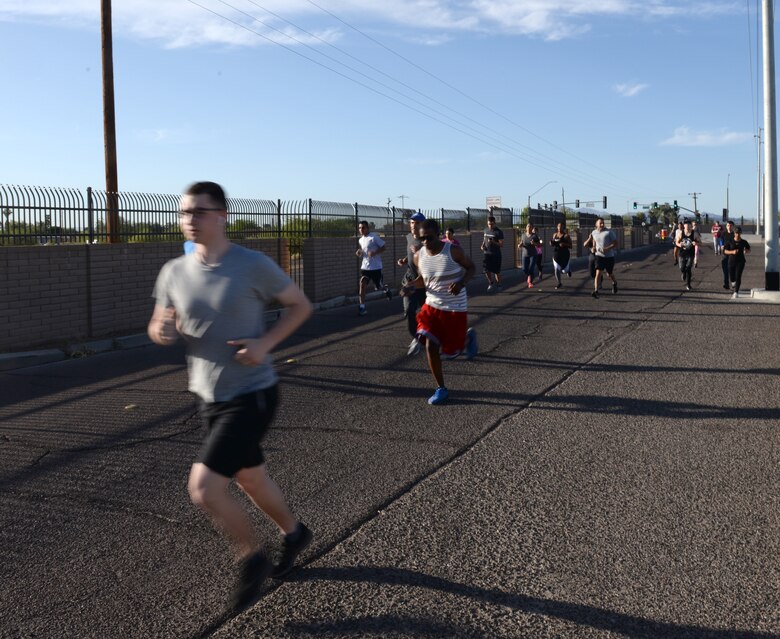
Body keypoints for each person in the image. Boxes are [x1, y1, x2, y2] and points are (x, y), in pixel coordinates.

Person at [148, 182, 314, 612]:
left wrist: (263, 345)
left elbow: (300, 305)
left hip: (251, 392)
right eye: (185, 212)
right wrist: (162, 330)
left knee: (204, 488)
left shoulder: (251, 264)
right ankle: (295, 533)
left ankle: (251, 557)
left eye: (199, 212)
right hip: (208, 394)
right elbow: (159, 322)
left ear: (222, 215)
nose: (189, 220)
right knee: (250, 478)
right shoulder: (174, 271)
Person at [401, 218, 477, 405]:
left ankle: (467, 338)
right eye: (422, 238)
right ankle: (441, 388)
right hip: (432, 306)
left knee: (452, 351)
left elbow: (472, 268)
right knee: (430, 344)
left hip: (455, 307)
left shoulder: (453, 251)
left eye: (429, 237)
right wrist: (411, 286)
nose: (426, 242)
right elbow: (424, 280)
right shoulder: (419, 256)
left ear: (438, 234)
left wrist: (461, 283)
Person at [396, 212, 427, 356]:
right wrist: (404, 260)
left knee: (430, 315)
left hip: (424, 282)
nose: (413, 226)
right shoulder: (409, 237)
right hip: (410, 280)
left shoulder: (427, 241)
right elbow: (410, 253)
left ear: (422, 225)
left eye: (417, 223)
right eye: (412, 223)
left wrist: (421, 251)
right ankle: (417, 338)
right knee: (409, 311)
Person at [356, 220, 392, 316]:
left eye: (363, 227)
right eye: (359, 228)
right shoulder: (360, 240)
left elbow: (384, 247)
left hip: (376, 267)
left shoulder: (374, 237)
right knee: (362, 284)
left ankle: (386, 289)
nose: (361, 230)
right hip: (365, 267)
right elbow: (364, 251)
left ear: (367, 228)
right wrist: (360, 252)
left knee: (378, 287)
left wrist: (375, 252)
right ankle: (362, 307)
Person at [589, 217, 619, 298]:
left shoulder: (609, 232)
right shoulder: (594, 232)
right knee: (598, 272)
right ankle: (596, 290)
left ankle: (614, 283)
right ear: (596, 224)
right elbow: (594, 242)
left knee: (609, 274)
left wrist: (607, 249)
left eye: (603, 223)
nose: (602, 224)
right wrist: (593, 248)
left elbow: (616, 243)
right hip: (599, 256)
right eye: (600, 223)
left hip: (609, 257)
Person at [723, 226, 751, 295]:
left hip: (740, 261)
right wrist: (732, 252)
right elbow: (724, 251)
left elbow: (749, 249)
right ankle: (733, 282)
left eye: (739, 233)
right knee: (732, 277)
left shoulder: (744, 242)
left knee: (738, 276)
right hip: (731, 261)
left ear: (740, 233)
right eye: (736, 233)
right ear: (734, 233)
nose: (737, 234)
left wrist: (746, 250)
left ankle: (736, 292)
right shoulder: (730, 241)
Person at [481, 216, 504, 292]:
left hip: (496, 254)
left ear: (494, 223)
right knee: (486, 270)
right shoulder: (486, 230)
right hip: (487, 253)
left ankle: (499, 284)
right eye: (489, 224)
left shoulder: (498, 232)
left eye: (491, 224)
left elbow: (501, 244)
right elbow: (484, 240)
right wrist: (482, 245)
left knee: (496, 272)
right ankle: (491, 283)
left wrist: (493, 242)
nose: (490, 225)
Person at [675, 220, 700, 291]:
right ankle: (683, 273)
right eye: (686, 225)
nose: (688, 226)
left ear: (691, 226)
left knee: (688, 268)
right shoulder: (680, 233)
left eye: (689, 225)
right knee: (682, 268)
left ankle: (688, 284)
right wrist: (679, 244)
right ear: (684, 226)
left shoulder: (694, 234)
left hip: (690, 254)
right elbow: (676, 242)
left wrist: (696, 243)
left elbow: (700, 242)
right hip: (682, 253)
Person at [550, 221, 572, 289]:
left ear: (563, 227)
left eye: (561, 226)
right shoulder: (555, 235)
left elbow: (571, 246)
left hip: (564, 254)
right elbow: (553, 243)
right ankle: (559, 283)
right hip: (556, 254)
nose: (560, 228)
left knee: (564, 270)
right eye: (558, 226)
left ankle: (568, 270)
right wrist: (551, 243)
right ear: (557, 227)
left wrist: (564, 244)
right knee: (556, 269)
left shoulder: (566, 236)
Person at [519, 223, 541, 288]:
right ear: (526, 228)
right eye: (528, 226)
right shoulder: (523, 235)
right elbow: (521, 242)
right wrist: (519, 245)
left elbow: (539, 244)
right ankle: (529, 275)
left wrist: (534, 243)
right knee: (524, 269)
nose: (529, 228)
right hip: (525, 254)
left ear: (532, 228)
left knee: (531, 268)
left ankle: (530, 282)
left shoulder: (534, 236)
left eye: (530, 227)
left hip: (533, 255)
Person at [720, 220, 736, 290]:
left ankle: (733, 282)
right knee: (725, 270)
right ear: (726, 226)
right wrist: (721, 245)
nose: (729, 227)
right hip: (725, 253)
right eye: (728, 225)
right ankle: (726, 284)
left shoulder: (735, 234)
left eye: (730, 226)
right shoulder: (723, 233)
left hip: (732, 254)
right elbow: (721, 240)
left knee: (732, 270)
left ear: (733, 226)